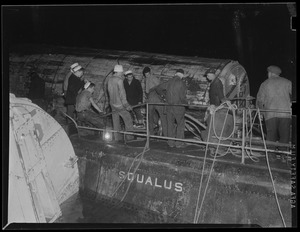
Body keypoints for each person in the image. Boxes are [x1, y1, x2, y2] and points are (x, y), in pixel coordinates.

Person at [256, 65, 292, 147]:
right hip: (285, 114)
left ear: (271, 73)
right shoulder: (288, 82)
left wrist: (260, 113)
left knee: (271, 136)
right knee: (285, 136)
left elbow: (260, 100)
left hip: (270, 114)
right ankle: (284, 156)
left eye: (268, 72)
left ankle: (271, 157)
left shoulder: (265, 84)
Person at [155, 69, 187, 148]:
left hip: (169, 107)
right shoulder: (182, 83)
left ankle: (170, 142)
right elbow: (182, 97)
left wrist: (163, 96)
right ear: (182, 75)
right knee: (180, 124)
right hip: (178, 107)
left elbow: (158, 88)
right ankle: (179, 143)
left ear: (175, 74)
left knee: (170, 124)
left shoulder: (169, 81)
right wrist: (186, 104)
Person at [107, 64, 134, 142]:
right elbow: (122, 94)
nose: (122, 74)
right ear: (118, 72)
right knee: (128, 120)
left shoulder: (110, 79)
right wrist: (126, 105)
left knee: (115, 122)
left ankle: (117, 138)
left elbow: (109, 92)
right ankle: (129, 138)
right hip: (120, 105)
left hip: (112, 104)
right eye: (121, 72)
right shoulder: (119, 80)